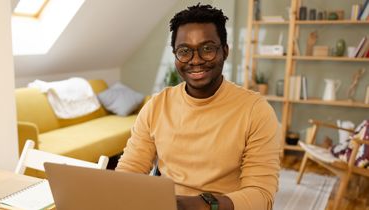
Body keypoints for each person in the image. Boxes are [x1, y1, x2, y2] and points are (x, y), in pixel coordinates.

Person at [116, 4, 280, 210]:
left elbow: (261, 196)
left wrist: (198, 205)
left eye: (207, 49)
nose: (195, 60)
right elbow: (130, 168)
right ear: (176, 56)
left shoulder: (256, 110)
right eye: (184, 51)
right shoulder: (157, 106)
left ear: (225, 51)